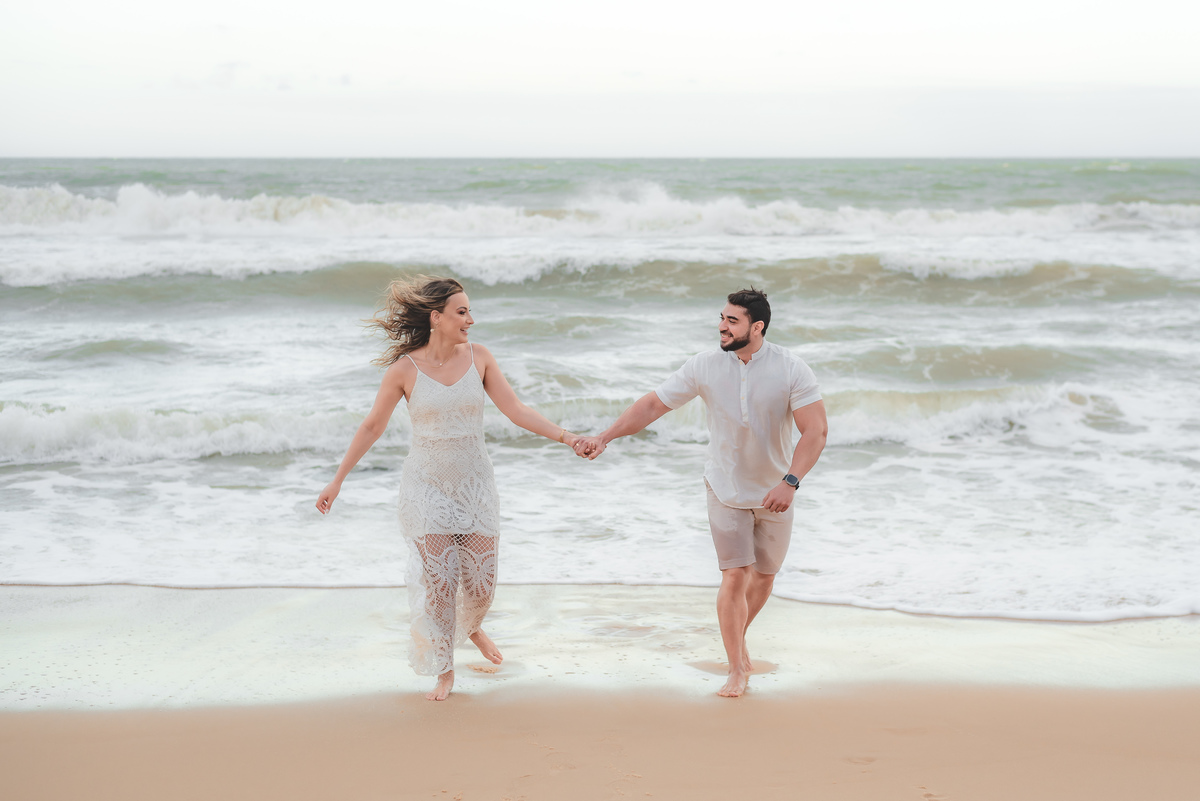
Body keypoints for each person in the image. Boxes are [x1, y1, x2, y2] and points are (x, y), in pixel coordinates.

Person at [316, 276, 587, 701]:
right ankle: (444, 670)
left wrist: (567, 437)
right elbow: (372, 426)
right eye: (462, 312)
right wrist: (337, 480)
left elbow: (516, 411)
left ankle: (473, 626)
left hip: (475, 484)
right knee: (440, 584)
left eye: (469, 311)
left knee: (481, 584)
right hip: (425, 486)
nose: (471, 320)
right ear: (436, 317)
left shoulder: (480, 358)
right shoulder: (404, 370)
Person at [573, 288, 827, 698]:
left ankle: (737, 641)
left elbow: (815, 431)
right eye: (722, 318)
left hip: (775, 491)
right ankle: (735, 668)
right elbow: (653, 406)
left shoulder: (791, 369)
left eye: (732, 321)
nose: (722, 326)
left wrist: (791, 481)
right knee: (734, 575)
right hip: (724, 486)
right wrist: (606, 436)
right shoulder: (705, 365)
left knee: (763, 578)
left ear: (756, 327)